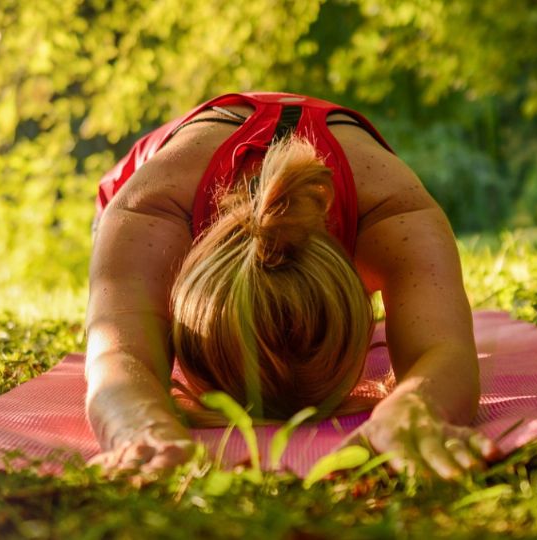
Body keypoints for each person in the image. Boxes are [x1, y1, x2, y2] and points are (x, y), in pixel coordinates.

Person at [85, 92, 495, 480]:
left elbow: (446, 351)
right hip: (159, 178)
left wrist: (416, 407)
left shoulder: (393, 211)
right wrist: (139, 425)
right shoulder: (150, 209)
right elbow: (116, 356)